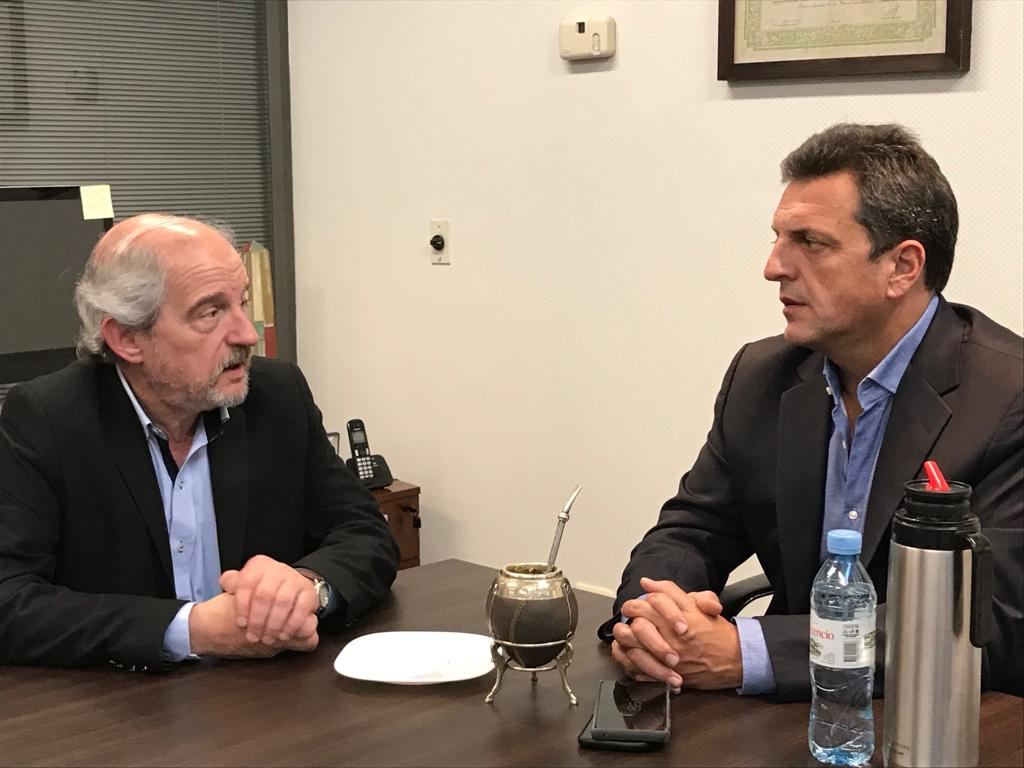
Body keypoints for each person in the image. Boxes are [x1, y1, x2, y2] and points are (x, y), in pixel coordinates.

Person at [604, 124, 1023, 701]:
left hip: (942, 717)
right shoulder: (763, 375)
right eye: (778, 238)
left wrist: (745, 653)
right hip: (789, 717)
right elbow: (694, 529)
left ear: (902, 267)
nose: (774, 266)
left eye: (811, 242)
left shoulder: (1007, 397)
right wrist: (656, 620)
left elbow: (991, 623)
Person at [0, 214, 400, 671]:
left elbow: (365, 532)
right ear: (127, 338)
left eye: (241, 303)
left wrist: (307, 587)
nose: (247, 334)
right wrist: (191, 629)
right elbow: (9, 598)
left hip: (268, 694)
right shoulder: (48, 419)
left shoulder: (277, 395)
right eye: (210, 313)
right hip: (124, 703)